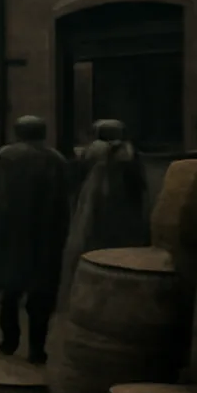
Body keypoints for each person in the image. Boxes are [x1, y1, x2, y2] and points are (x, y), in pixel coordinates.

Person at [0, 115, 70, 363]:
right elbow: (65, 201)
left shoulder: (6, 156)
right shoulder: (56, 159)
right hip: (46, 235)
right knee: (42, 294)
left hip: (12, 233)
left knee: (10, 290)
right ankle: (37, 348)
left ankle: (9, 341)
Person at [55, 118, 149, 313]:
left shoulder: (91, 152)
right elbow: (140, 185)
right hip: (123, 210)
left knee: (90, 244)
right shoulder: (129, 153)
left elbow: (74, 177)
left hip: (93, 206)